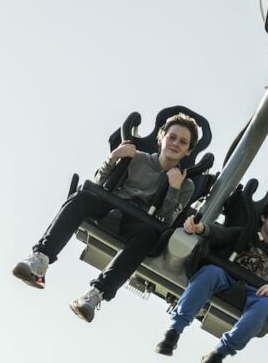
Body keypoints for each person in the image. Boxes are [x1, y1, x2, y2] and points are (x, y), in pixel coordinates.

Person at [12, 113, 199, 322]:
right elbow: (99, 182)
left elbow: (166, 221)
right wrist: (112, 159)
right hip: (112, 205)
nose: (175, 143)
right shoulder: (137, 158)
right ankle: (40, 259)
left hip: (140, 222)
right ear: (161, 137)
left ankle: (96, 294)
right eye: (172, 137)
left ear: (189, 150)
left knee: (148, 235)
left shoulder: (186, 184)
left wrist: (173, 188)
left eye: (183, 142)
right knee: (81, 197)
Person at [154, 194, 268, 363]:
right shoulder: (245, 233)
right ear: (264, 217)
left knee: (266, 306)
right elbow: (220, 233)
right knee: (210, 272)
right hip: (227, 277)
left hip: (255, 291)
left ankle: (218, 354)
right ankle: (173, 332)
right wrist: (201, 228)